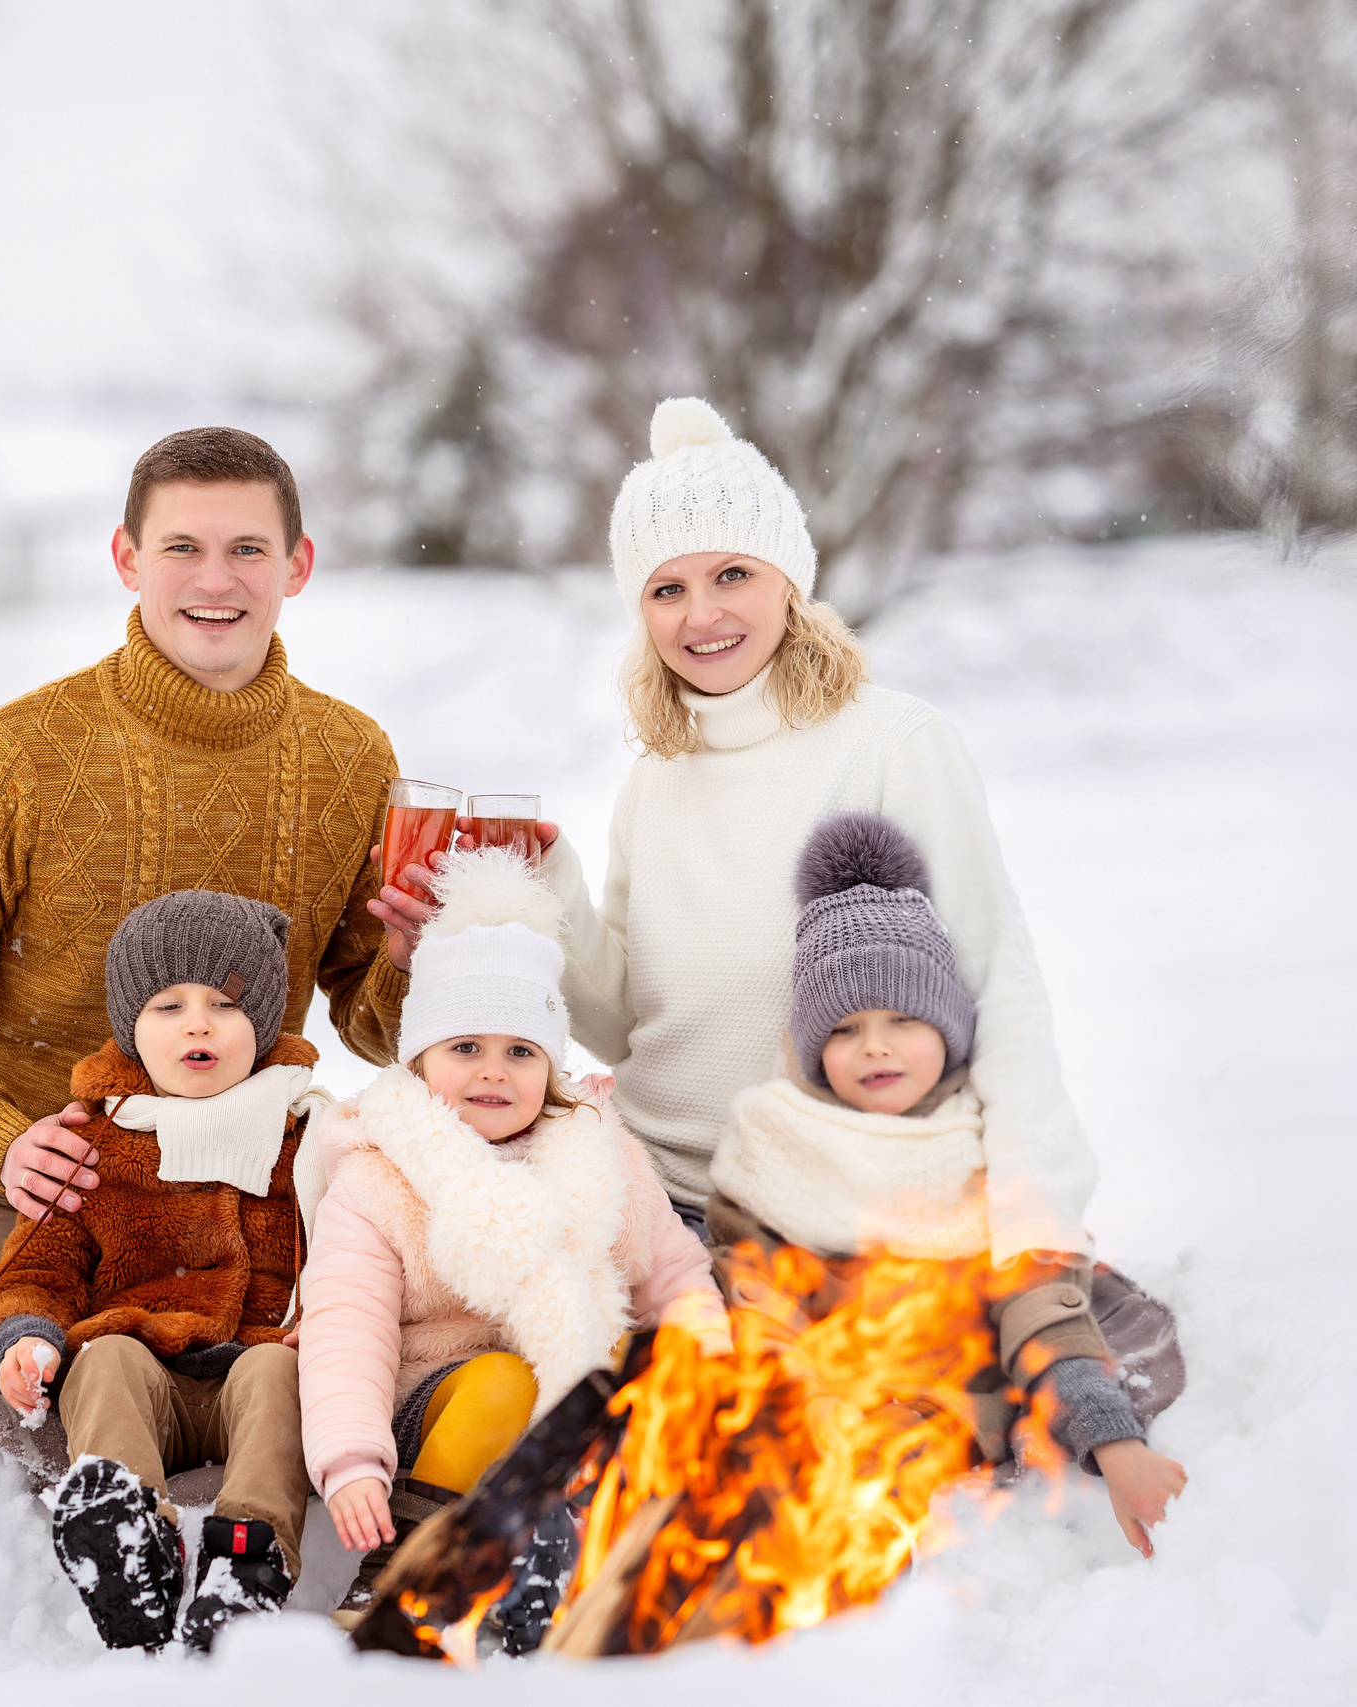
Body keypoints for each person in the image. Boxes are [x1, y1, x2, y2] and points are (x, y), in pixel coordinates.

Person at [370, 396, 1099, 1261]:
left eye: (733, 575)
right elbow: (633, 1023)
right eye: (667, 589)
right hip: (652, 1198)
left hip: (830, 1210)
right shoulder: (657, 775)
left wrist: (1037, 1224)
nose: (701, 615)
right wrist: (544, 896)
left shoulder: (893, 745)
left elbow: (996, 983)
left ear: (788, 578)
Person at [0, 427, 411, 1361]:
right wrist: (2, 1142)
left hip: (246, 1191)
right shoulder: (14, 751)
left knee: (306, 1391)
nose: (215, 579)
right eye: (182, 546)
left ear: (297, 564)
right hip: (32, 1186)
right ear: (127, 558)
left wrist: (410, 959)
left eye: (248, 549)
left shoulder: (352, 757)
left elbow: (370, 1018)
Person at [705, 813, 1188, 1557]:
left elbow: (1037, 1303)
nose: (874, 1046)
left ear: (949, 1027)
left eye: (904, 1018)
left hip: (961, 1366)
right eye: (843, 1029)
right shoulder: (777, 1142)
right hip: (833, 1374)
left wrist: (1114, 1442)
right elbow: (757, 1296)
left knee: (1042, 1365)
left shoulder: (987, 1149)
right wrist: (805, 1397)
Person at [296, 847, 724, 1640]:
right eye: (466, 1047)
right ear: (420, 1057)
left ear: (550, 1064)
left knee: (631, 1375)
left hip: (566, 1398)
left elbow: (676, 1278)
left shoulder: (600, 1155)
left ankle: (593, 1567)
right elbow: (346, 1326)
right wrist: (350, 1457)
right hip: (440, 1405)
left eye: (520, 1051)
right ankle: (409, 1572)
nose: (493, 1071)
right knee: (500, 1381)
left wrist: (708, 1376)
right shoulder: (380, 1174)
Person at [0, 890, 323, 1652]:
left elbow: (354, 1254)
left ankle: (250, 1557)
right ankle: (129, 1534)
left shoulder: (309, 1141)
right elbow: (37, 1269)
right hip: (143, 1379)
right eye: (169, 1005)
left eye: (226, 1004)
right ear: (131, 1025)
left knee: (278, 1373)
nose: (198, 1024)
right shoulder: (98, 1145)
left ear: (265, 1022)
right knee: (104, 1357)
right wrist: (25, 1337)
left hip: (253, 1364)